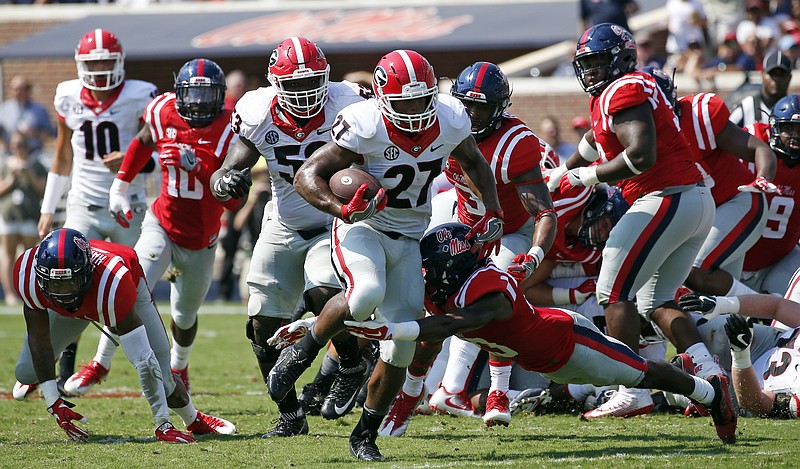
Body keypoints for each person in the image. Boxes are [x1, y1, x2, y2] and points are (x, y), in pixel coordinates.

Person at [267, 49, 503, 461]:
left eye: (421, 100)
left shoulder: (449, 117)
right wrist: (342, 209)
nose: (414, 111)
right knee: (365, 294)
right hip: (364, 227)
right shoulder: (365, 122)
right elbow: (308, 175)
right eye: (404, 102)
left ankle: (365, 434)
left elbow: (476, 163)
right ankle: (302, 351)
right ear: (380, 98)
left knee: (402, 344)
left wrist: (493, 210)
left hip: (410, 236)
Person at [341, 222, 738, 445]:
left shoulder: (488, 289)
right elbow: (430, 339)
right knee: (623, 376)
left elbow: (449, 326)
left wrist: (392, 329)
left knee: (641, 373)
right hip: (541, 353)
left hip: (569, 347)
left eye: (432, 266)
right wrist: (408, 396)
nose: (425, 274)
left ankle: (710, 393)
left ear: (454, 265)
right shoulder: (447, 289)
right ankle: (694, 381)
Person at [548, 23, 723, 418]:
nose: (590, 70)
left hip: (666, 196)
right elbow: (593, 143)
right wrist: (562, 171)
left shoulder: (623, 88)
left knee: (613, 292)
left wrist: (586, 176)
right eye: (585, 63)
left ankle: (631, 389)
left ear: (621, 59)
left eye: (596, 61)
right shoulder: (612, 94)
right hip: (691, 200)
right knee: (655, 300)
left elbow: (640, 155)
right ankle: (710, 374)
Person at [379, 61, 558, 434]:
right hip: (462, 222)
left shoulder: (516, 144)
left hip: (509, 231)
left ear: (500, 107)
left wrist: (535, 255)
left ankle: (498, 391)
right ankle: (412, 394)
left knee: (493, 298)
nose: (473, 114)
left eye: (482, 107)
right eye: (467, 104)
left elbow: (544, 212)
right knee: (431, 300)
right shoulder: (443, 121)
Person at [209, 37, 370, 438]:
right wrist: (224, 181)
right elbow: (230, 165)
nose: (303, 93)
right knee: (262, 327)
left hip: (334, 220)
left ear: (327, 78)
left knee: (322, 290)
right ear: (275, 84)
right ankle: (291, 416)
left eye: (311, 82)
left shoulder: (349, 102)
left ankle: (350, 364)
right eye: (294, 86)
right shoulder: (257, 110)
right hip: (283, 221)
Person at [64, 58, 240, 397]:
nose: (200, 104)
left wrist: (203, 172)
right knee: (126, 286)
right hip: (162, 221)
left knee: (184, 316)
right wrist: (119, 186)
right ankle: (100, 363)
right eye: (194, 95)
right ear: (179, 92)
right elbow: (143, 141)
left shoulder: (233, 127)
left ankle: (178, 365)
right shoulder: (162, 110)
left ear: (220, 98)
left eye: (208, 97)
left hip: (201, 237)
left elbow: (235, 203)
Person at [11, 228, 236, 442]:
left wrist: (162, 424)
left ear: (87, 273)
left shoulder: (113, 284)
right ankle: (44, 370)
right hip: (77, 304)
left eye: (70, 282)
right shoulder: (27, 273)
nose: (64, 293)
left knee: (162, 375)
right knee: (26, 371)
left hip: (122, 289)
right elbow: (38, 340)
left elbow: (143, 360)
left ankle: (194, 420)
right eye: (56, 285)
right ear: (40, 276)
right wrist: (54, 402)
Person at [38, 29, 158, 392]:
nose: (101, 69)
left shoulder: (141, 95)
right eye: (93, 63)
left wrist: (131, 162)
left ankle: (110, 362)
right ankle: (63, 370)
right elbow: (62, 157)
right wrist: (49, 207)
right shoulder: (68, 95)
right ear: (80, 65)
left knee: (131, 291)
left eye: (107, 61)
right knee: (65, 282)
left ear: (120, 62)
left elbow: (156, 157)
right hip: (84, 204)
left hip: (129, 206)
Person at [642, 66, 777, 297]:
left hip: (737, 203)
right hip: (704, 218)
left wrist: (762, 178)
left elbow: (759, 149)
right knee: (720, 306)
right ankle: (761, 316)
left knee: (692, 271)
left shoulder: (698, 117)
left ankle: (768, 309)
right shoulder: (642, 140)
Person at [678, 292, 800, 419]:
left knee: (709, 390)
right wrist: (721, 304)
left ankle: (668, 397)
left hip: (751, 385)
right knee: (691, 323)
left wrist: (740, 354)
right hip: (771, 345)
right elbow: (777, 306)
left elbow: (757, 404)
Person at [736, 93, 800, 295]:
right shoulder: (752, 142)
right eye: (788, 129)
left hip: (779, 261)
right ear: (773, 127)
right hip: (732, 258)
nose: (795, 137)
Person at [0, 131, 47, 305]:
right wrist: (11, 179)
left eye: (22, 144)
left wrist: (29, 176)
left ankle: (27, 291)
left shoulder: (37, 165)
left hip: (29, 215)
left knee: (29, 256)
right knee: (8, 254)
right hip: (9, 215)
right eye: (15, 144)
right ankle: (9, 293)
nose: (19, 148)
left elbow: (43, 191)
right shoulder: (4, 163)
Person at [729, 50, 792, 128]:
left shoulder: (796, 110)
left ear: (789, 77)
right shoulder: (745, 108)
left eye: (781, 75)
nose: (776, 79)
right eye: (772, 74)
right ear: (762, 74)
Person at [0, 75, 54, 158]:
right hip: (9, 155)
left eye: (20, 89)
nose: (16, 92)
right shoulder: (4, 109)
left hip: (34, 155)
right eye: (14, 89)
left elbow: (50, 133)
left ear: (27, 90)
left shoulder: (39, 110)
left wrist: (33, 133)